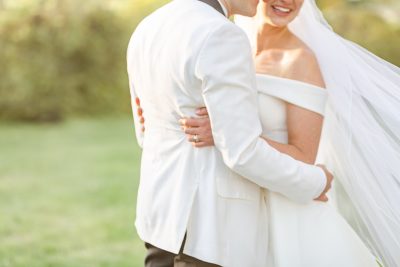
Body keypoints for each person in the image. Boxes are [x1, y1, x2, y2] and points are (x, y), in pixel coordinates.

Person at [174, 0, 400, 266]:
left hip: (287, 213)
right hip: (234, 205)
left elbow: (304, 156)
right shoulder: (226, 45)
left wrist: (222, 133)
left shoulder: (299, 60)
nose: (288, 1)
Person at [127, 0, 334, 266]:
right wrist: (315, 181)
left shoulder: (150, 24)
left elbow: (145, 133)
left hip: (159, 218)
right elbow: (242, 152)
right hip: (209, 228)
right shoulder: (222, 34)